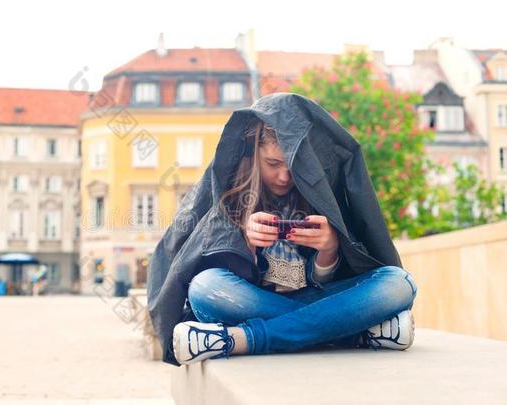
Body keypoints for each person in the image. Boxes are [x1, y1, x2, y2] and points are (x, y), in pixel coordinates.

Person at [147, 93, 418, 366]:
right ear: (254, 155)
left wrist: (330, 250)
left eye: (293, 167)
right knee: (205, 288)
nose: (284, 177)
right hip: (252, 301)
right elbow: (200, 273)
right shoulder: (230, 194)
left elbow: (333, 280)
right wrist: (245, 244)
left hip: (315, 298)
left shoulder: (322, 192)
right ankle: (349, 333)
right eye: (273, 164)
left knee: (399, 283)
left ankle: (241, 339)